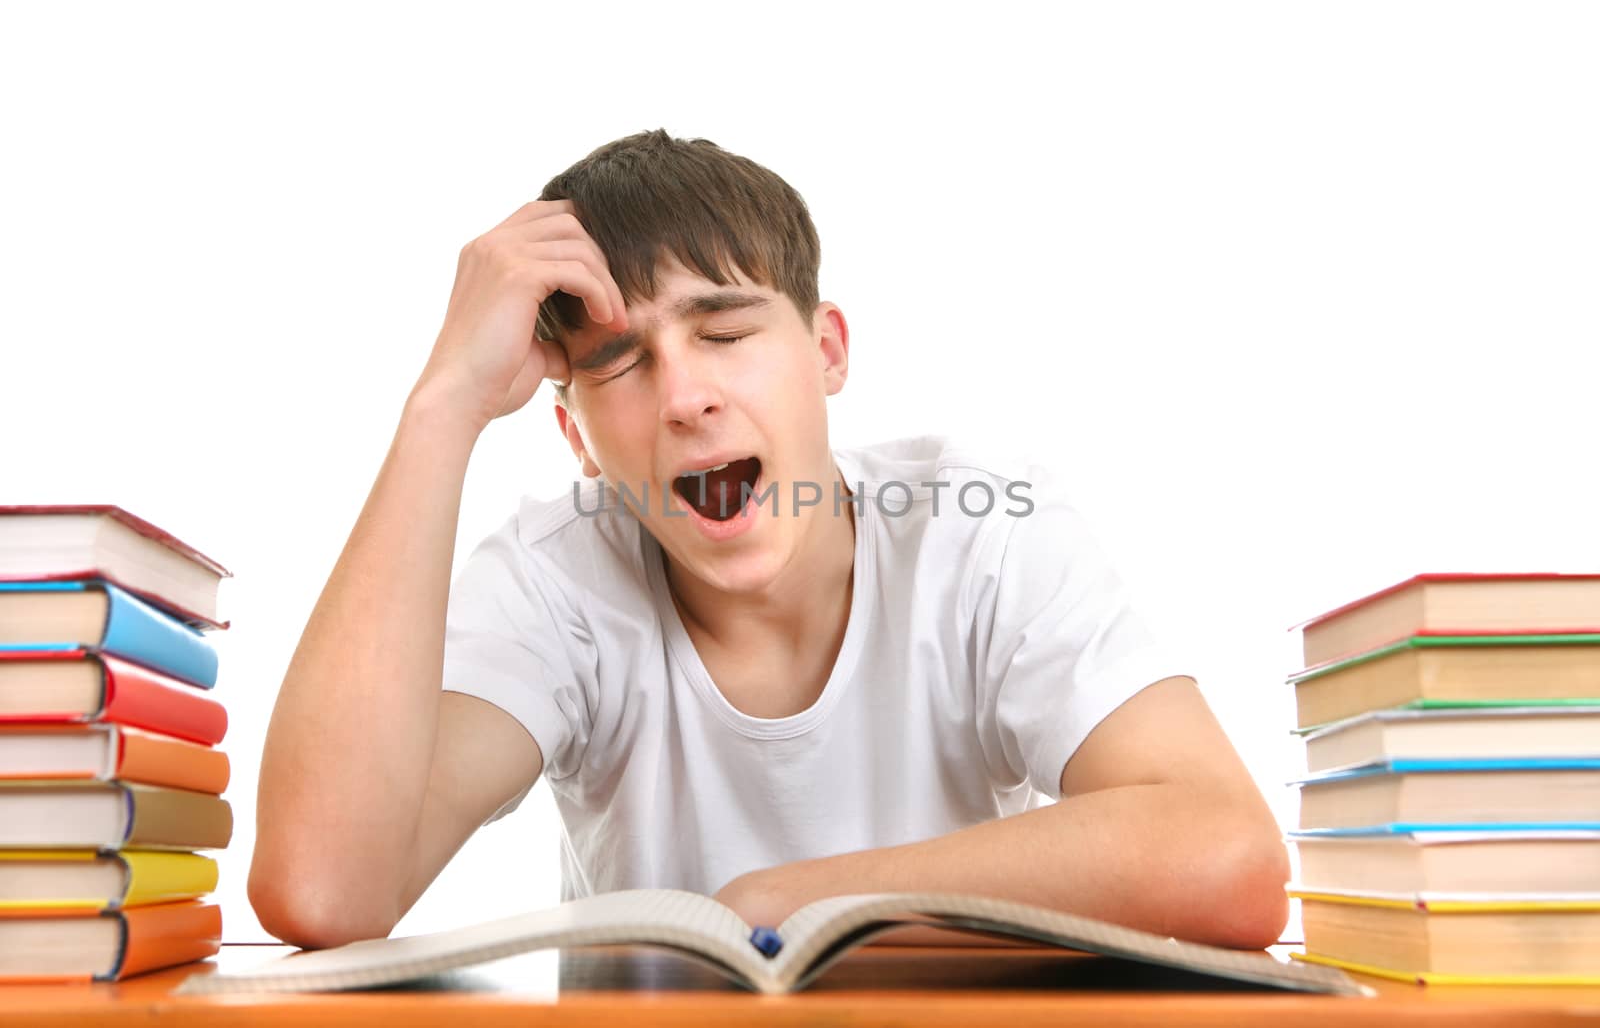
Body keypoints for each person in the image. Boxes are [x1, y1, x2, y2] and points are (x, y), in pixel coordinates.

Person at [248, 130, 1289, 951]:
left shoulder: (981, 532)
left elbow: (1229, 853)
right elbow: (324, 888)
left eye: (725, 331)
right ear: (574, 433)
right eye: (619, 363)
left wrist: (790, 898)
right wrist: (443, 406)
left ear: (826, 351)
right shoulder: (555, 577)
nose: (686, 397)